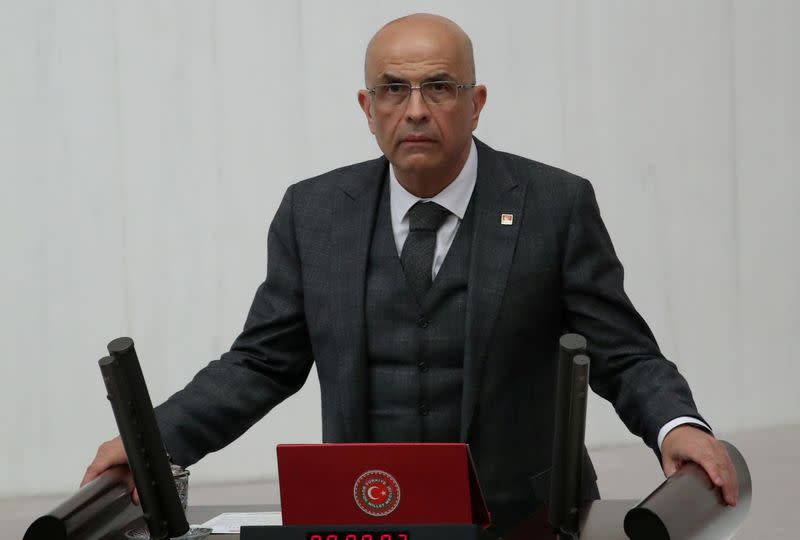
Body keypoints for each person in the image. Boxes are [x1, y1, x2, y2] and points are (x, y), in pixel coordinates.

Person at [82, 13, 737, 532]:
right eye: (394, 89)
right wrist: (154, 439)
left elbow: (622, 353)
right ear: (367, 108)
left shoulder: (554, 206)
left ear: (476, 102)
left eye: (439, 87)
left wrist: (677, 427)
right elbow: (261, 362)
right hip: (365, 513)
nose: (416, 109)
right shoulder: (313, 214)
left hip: (525, 522)